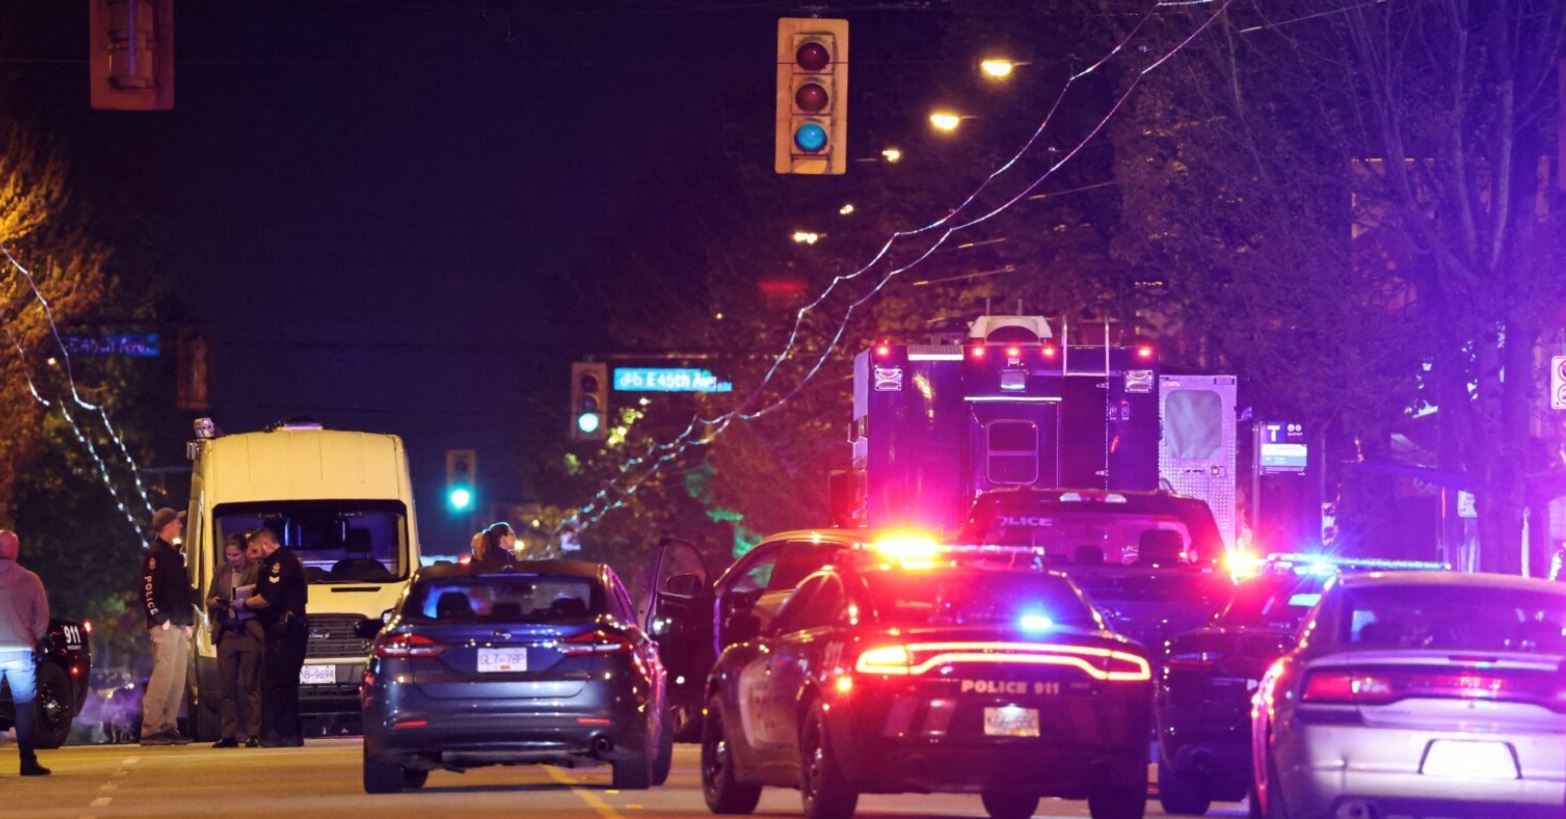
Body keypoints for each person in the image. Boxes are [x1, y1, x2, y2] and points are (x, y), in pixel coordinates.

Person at [238, 527, 307, 747]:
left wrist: (243, 604)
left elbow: (267, 598)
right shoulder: (269, 564)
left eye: (254, 548)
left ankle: (283, 734)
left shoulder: (281, 562)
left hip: (285, 630)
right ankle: (287, 733)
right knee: (279, 682)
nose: (251, 553)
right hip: (279, 630)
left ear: (266, 544)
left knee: (280, 682)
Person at [140, 507, 194, 746]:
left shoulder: (172, 554)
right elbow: (148, 592)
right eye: (177, 523)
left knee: (177, 679)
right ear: (168, 525)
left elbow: (181, 592)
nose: (180, 526)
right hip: (167, 626)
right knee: (163, 678)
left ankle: (168, 725)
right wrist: (161, 618)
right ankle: (151, 728)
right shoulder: (156, 555)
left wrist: (189, 621)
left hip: (179, 625)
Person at [0, 530, 51, 776]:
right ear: (15, 550)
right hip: (19, 649)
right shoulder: (30, 580)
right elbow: (42, 619)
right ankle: (27, 761)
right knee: (23, 705)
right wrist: (33, 638)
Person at [208, 533, 262, 748]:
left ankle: (253, 732)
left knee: (251, 685)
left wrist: (245, 601)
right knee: (227, 686)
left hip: (248, 631)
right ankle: (228, 733)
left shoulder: (256, 570)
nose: (232, 559)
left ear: (244, 552)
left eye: (236, 555)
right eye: (228, 555)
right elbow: (208, 597)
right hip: (227, 632)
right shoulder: (220, 571)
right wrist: (213, 602)